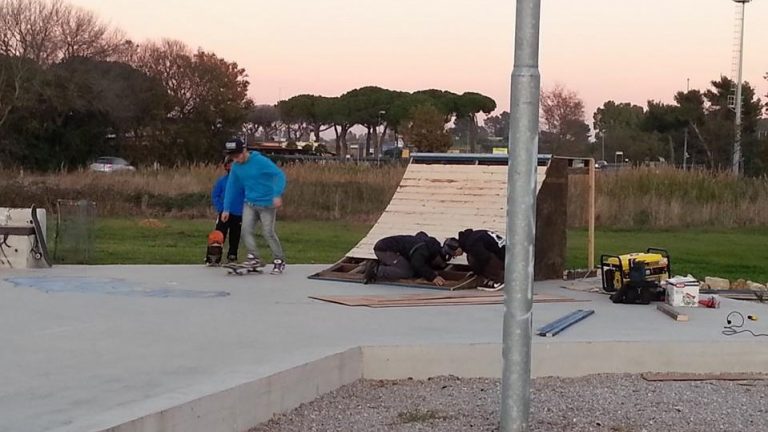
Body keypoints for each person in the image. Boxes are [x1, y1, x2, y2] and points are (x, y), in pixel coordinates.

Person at [221, 138, 287, 274]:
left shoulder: (260, 161)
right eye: (233, 157)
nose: (236, 159)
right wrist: (226, 208)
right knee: (245, 230)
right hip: (250, 203)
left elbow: (279, 175)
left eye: (237, 156)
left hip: (267, 204)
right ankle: (253, 257)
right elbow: (231, 186)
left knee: (268, 232)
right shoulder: (236, 167)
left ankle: (279, 259)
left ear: (244, 151)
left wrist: (277, 194)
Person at [363, 232, 462, 287]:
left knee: (411, 267)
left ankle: (384, 264)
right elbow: (417, 264)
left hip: (390, 249)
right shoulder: (423, 250)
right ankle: (375, 269)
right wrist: (433, 277)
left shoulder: (430, 245)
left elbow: (421, 233)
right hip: (384, 249)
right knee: (407, 272)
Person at [211, 157, 244, 263]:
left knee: (235, 235)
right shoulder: (222, 181)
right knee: (219, 234)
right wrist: (221, 208)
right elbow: (215, 195)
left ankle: (232, 255)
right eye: (230, 164)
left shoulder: (242, 181)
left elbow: (247, 195)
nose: (232, 167)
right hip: (224, 213)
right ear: (226, 166)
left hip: (238, 213)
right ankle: (215, 255)